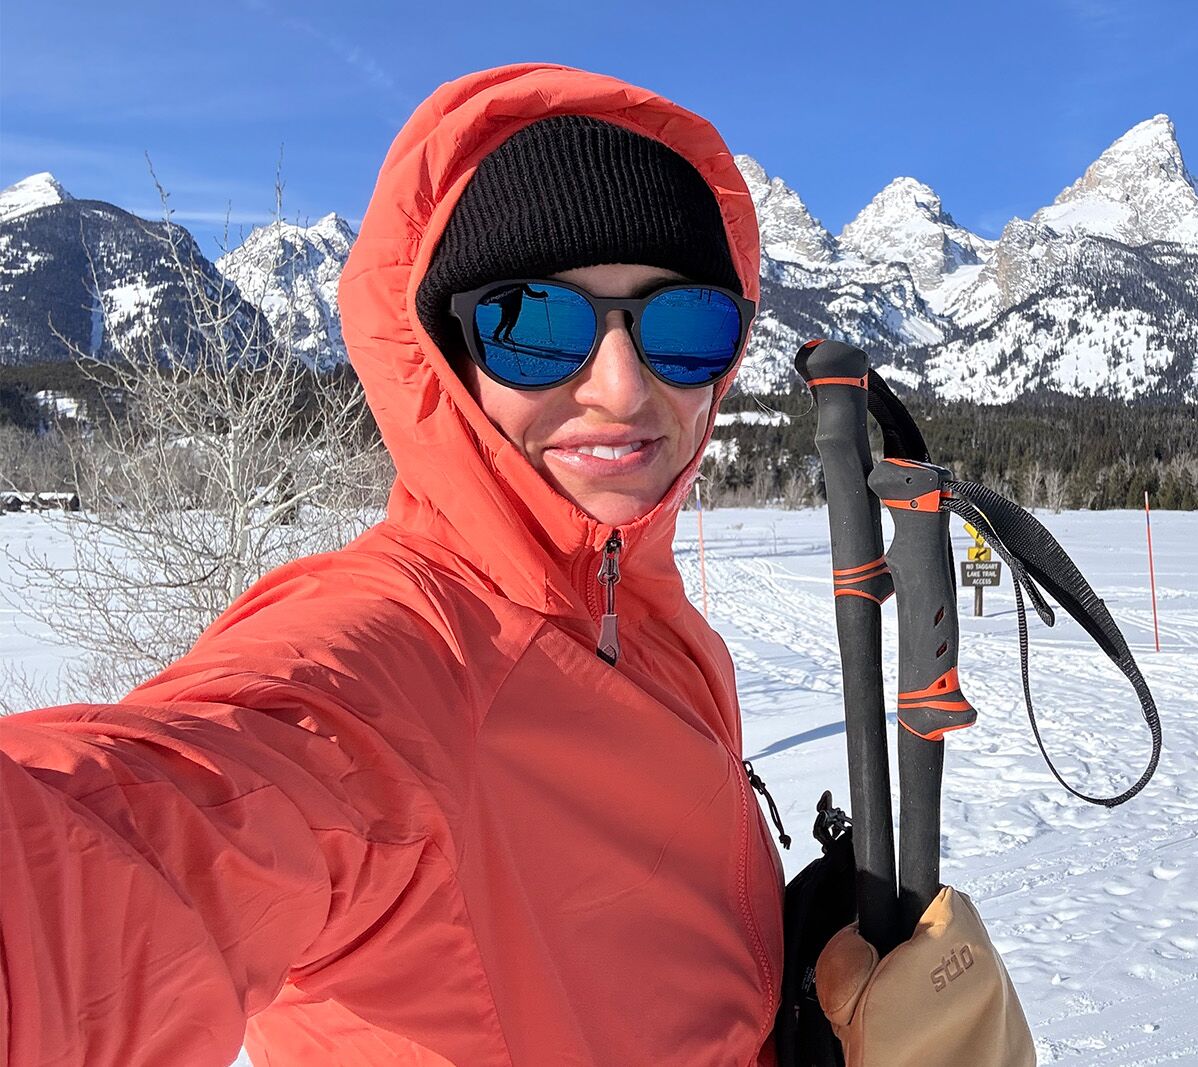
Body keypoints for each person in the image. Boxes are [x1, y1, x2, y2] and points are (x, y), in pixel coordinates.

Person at [0, 63, 1032, 1066]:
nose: (624, 390)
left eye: (685, 323)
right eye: (535, 325)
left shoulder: (658, 623)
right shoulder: (387, 660)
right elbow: (127, 846)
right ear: (448, 356)